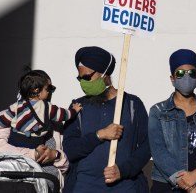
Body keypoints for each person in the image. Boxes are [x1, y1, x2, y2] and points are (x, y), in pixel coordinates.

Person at [62, 46, 151, 193]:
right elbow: (70, 150)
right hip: (84, 187)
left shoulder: (132, 104)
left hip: (126, 188)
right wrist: (99, 135)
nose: (83, 83)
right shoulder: (77, 107)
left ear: (105, 74)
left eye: (87, 77)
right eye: (80, 78)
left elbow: (147, 146)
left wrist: (123, 170)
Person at [148, 49, 196, 193]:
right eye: (181, 73)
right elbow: (158, 151)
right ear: (172, 78)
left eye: (192, 73)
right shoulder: (158, 111)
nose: (186, 77)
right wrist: (189, 186)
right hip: (167, 186)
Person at [0, 69, 71, 186]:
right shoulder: (9, 116)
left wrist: (56, 155)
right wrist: (33, 154)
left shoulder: (56, 124)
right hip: (15, 185)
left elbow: (64, 167)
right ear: (35, 90)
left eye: (52, 89)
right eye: (49, 88)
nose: (50, 92)